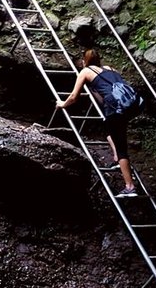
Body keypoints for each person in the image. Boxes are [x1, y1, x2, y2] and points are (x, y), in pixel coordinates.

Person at [55, 49, 139, 197]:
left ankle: (130, 186)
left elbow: (74, 96)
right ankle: (116, 158)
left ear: (84, 60)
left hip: (115, 109)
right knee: (108, 132)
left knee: (121, 148)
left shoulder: (86, 72)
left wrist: (62, 104)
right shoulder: (110, 69)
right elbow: (110, 89)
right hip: (128, 107)